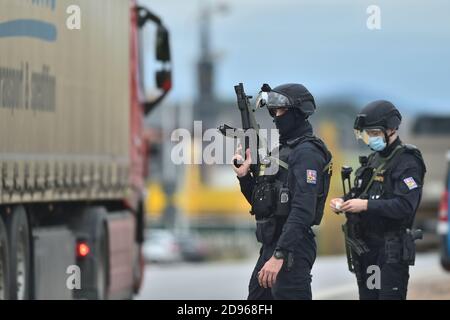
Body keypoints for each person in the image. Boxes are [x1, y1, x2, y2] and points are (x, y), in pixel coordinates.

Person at [232, 83, 332, 300]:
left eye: (280, 111)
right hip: (272, 246)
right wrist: (244, 177)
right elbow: (263, 205)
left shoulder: (307, 153)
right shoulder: (282, 152)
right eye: (273, 112)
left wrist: (280, 255)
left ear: (298, 113)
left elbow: (303, 211)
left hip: (291, 249)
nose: (276, 117)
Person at [329, 100, 426, 300]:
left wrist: (365, 206)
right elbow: (360, 192)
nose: (370, 139)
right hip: (367, 250)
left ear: (390, 130)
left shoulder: (407, 162)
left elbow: (406, 206)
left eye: (374, 133)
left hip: (390, 252)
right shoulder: (374, 160)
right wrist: (343, 201)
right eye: (367, 134)